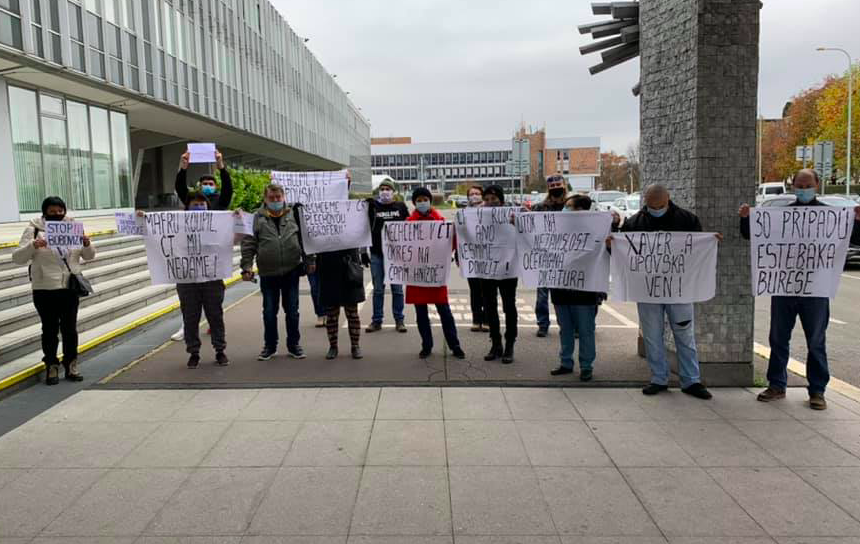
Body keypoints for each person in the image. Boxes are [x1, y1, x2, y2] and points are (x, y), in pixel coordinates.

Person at [739, 169, 860, 410]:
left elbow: (854, 239)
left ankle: (817, 390)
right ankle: (776, 385)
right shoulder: (783, 215)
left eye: (808, 185)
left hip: (815, 289)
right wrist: (745, 218)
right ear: (793, 186)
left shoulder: (830, 215)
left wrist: (857, 222)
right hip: (784, 287)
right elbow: (751, 234)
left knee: (816, 340)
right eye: (799, 185)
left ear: (817, 185)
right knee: (778, 338)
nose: (804, 189)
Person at [617, 183, 713, 400]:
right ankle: (659, 378)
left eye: (659, 205)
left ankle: (691, 380)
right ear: (645, 203)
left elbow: (697, 250)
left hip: (679, 290)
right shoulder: (634, 223)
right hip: (648, 291)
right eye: (651, 206)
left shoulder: (687, 220)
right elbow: (623, 253)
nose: (655, 209)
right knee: (652, 336)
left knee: (684, 335)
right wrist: (612, 243)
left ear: (668, 200)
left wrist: (710, 244)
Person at [13, 197, 95, 385]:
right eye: (53, 211)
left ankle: (71, 364)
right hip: (44, 288)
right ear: (45, 212)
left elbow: (89, 256)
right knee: (49, 329)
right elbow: (17, 258)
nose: (57, 214)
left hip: (69, 287)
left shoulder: (74, 227)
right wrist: (33, 245)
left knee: (70, 329)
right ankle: (51, 365)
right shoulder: (33, 230)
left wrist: (86, 243)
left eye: (60, 211)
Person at [241, 183, 314, 361]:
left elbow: (305, 240)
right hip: (268, 273)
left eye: (278, 198)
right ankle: (270, 346)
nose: (275, 201)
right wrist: (247, 267)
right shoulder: (256, 218)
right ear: (265, 199)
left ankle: (294, 345)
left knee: (292, 311)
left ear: (284, 198)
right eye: (271, 198)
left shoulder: (294, 215)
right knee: (269, 312)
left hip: (291, 271)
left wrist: (310, 261)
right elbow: (249, 244)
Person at [172, 149, 233, 341]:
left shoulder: (220, 204)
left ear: (215, 186)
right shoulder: (193, 200)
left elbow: (228, 190)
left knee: (214, 303)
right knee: (190, 305)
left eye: (210, 184)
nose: (207, 186)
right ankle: (188, 331)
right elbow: (181, 188)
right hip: (191, 260)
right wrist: (183, 168)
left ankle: (217, 339)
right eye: (204, 184)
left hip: (212, 262)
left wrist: (220, 166)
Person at [407, 188, 466, 359]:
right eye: (419, 199)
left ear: (430, 201)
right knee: (421, 314)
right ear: (414, 202)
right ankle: (426, 345)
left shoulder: (441, 221)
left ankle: (454, 345)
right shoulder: (408, 223)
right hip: (417, 276)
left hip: (436, 274)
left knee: (445, 312)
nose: (422, 202)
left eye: (425, 199)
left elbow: (451, 244)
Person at [549, 195, 600, 380]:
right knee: (565, 328)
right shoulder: (556, 229)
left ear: (580, 210)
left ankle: (586, 366)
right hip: (560, 289)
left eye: (569, 206)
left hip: (584, 290)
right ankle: (566, 362)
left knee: (586, 330)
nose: (565, 209)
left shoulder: (595, 231)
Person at [479, 185, 518, 364]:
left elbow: (528, 228)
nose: (490, 203)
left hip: (508, 268)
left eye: (493, 199)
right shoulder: (477, 215)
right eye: (486, 199)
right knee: (489, 306)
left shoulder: (512, 215)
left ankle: (510, 343)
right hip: (487, 269)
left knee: (509, 306)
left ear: (501, 200)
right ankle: (496, 343)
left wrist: (519, 220)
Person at [364, 178, 409, 333]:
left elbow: (410, 227)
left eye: (387, 189)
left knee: (397, 289)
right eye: (382, 189)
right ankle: (377, 320)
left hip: (396, 255)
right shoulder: (373, 206)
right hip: (377, 254)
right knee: (378, 289)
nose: (385, 192)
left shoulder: (401, 207)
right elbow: (364, 227)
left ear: (393, 192)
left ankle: (399, 320)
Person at [531, 174, 568, 337]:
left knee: (565, 296)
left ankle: (566, 324)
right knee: (542, 295)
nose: (555, 189)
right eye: (552, 187)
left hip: (567, 258)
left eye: (558, 185)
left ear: (564, 186)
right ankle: (543, 324)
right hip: (545, 256)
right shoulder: (540, 207)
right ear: (548, 189)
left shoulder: (572, 205)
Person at [464, 184, 487, 332]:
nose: (474, 196)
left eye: (477, 193)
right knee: (474, 290)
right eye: (471, 194)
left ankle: (486, 319)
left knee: (487, 290)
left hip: (488, 256)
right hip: (471, 256)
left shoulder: (490, 211)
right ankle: (476, 319)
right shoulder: (464, 213)